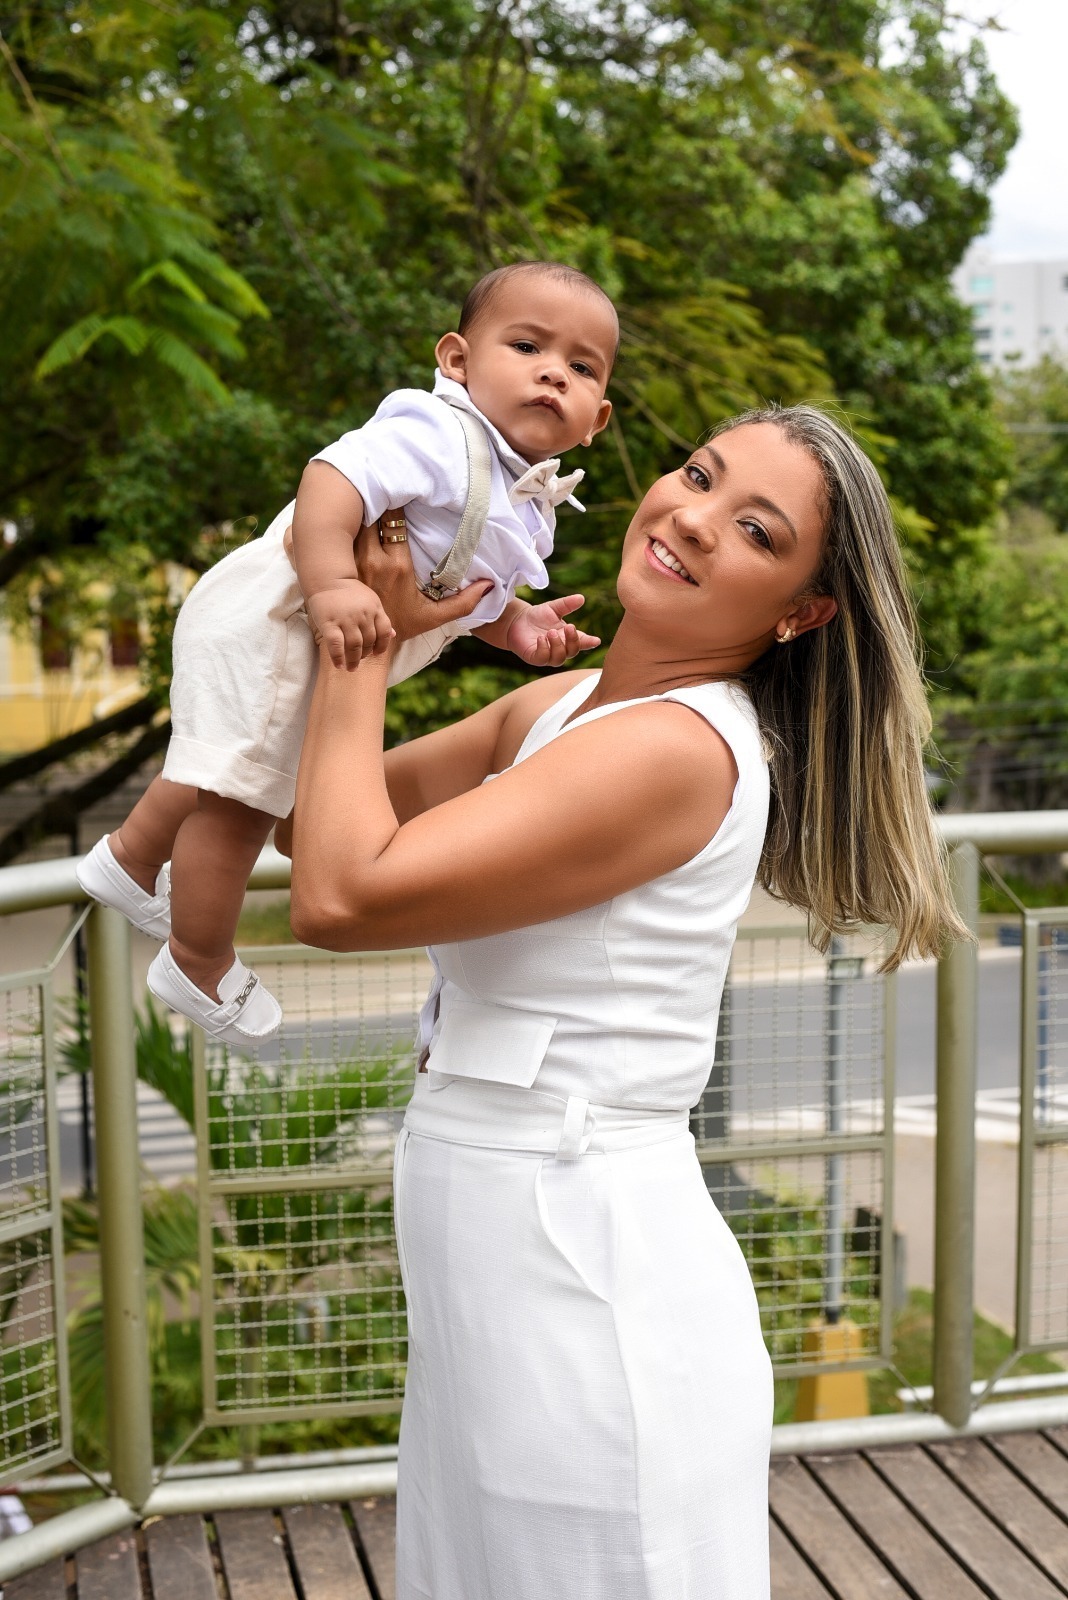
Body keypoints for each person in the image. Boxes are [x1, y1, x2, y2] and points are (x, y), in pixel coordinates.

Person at [289, 403, 967, 1600]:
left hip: (584, 1265)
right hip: (493, 1250)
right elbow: (311, 820)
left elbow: (340, 895)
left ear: (802, 612)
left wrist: (363, 652)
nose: (694, 519)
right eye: (699, 475)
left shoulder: (677, 747)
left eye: (755, 530)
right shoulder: (561, 706)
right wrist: (395, 636)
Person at [76, 261, 618, 1046]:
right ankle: (196, 959)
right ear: (457, 361)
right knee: (242, 805)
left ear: (597, 419)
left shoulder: (526, 499)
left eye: (581, 367)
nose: (552, 373)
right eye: (527, 346)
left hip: (312, 638)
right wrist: (331, 583)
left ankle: (130, 861)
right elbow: (331, 478)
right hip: (285, 617)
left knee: (227, 762)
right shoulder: (437, 433)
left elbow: (461, 598)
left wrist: (518, 625)